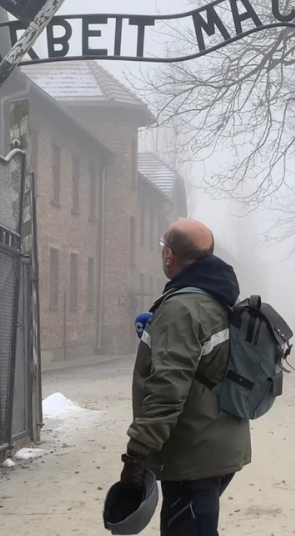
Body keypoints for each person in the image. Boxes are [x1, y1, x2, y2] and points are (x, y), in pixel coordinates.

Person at [119, 219, 250, 536]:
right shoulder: (217, 296)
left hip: (194, 453)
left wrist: (136, 453)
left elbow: (167, 389)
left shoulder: (182, 308)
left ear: (169, 256)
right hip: (216, 443)